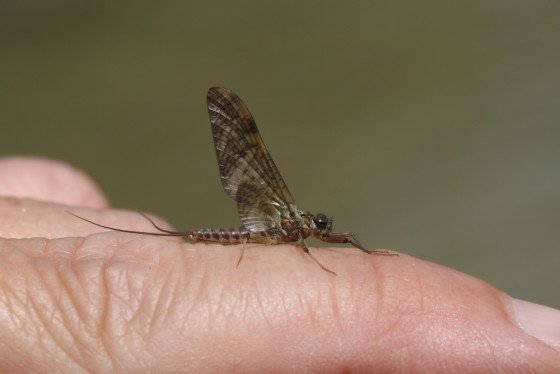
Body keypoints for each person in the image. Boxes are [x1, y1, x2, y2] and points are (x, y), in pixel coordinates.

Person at [0, 156, 558, 372]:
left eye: (315, 231)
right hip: (222, 237)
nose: (317, 234)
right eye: (315, 231)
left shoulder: (303, 232)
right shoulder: (291, 229)